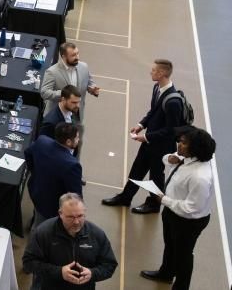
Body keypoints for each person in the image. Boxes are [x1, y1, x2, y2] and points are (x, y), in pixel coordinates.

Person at [103, 59, 189, 214]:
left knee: (156, 177)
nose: (151, 72)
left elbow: (171, 130)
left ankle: (154, 205)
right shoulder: (157, 87)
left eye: (154, 70)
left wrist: (146, 137)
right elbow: (153, 112)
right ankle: (125, 197)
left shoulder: (173, 102)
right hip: (150, 142)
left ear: (162, 73)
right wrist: (141, 125)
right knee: (137, 170)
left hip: (161, 147)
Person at [140, 127, 216, 289]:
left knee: (183, 255)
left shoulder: (200, 177)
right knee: (170, 245)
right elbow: (168, 160)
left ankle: (181, 286)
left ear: (194, 148)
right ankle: (166, 273)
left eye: (183, 143)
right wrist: (171, 158)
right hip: (173, 211)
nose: (178, 144)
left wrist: (164, 200)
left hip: (188, 221)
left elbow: (192, 208)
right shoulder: (186, 158)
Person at [22, 193, 117, 289]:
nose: (76, 222)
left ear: (85, 212)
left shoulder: (97, 235)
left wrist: (92, 273)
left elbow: (109, 265)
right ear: (60, 213)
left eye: (80, 216)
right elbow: (29, 263)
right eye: (70, 217)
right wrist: (59, 272)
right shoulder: (43, 233)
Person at [25, 122, 83, 228]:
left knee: (38, 223)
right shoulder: (72, 165)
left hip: (36, 192)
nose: (79, 140)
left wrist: (36, 173)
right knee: (42, 230)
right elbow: (75, 196)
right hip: (52, 206)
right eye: (77, 137)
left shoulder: (42, 141)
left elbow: (28, 153)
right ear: (69, 142)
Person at [41, 42, 100, 116]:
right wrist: (64, 94)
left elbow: (89, 83)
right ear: (63, 57)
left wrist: (92, 89)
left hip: (77, 113)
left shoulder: (84, 67)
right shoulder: (52, 72)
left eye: (77, 53)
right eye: (73, 55)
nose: (77, 57)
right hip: (58, 115)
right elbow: (44, 92)